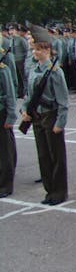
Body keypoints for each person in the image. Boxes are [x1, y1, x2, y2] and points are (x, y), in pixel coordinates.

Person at [20, 25, 69, 205]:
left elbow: (63, 101)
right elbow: (29, 94)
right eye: (34, 49)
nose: (35, 53)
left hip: (50, 114)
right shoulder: (34, 69)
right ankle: (49, 190)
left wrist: (60, 123)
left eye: (38, 50)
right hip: (37, 115)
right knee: (43, 155)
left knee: (56, 156)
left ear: (47, 50)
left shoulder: (56, 72)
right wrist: (24, 110)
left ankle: (59, 192)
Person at [0, 48, 17, 198]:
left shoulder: (3, 69)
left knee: (5, 150)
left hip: (2, 112)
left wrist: (11, 117)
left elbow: (10, 94)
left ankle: (6, 185)